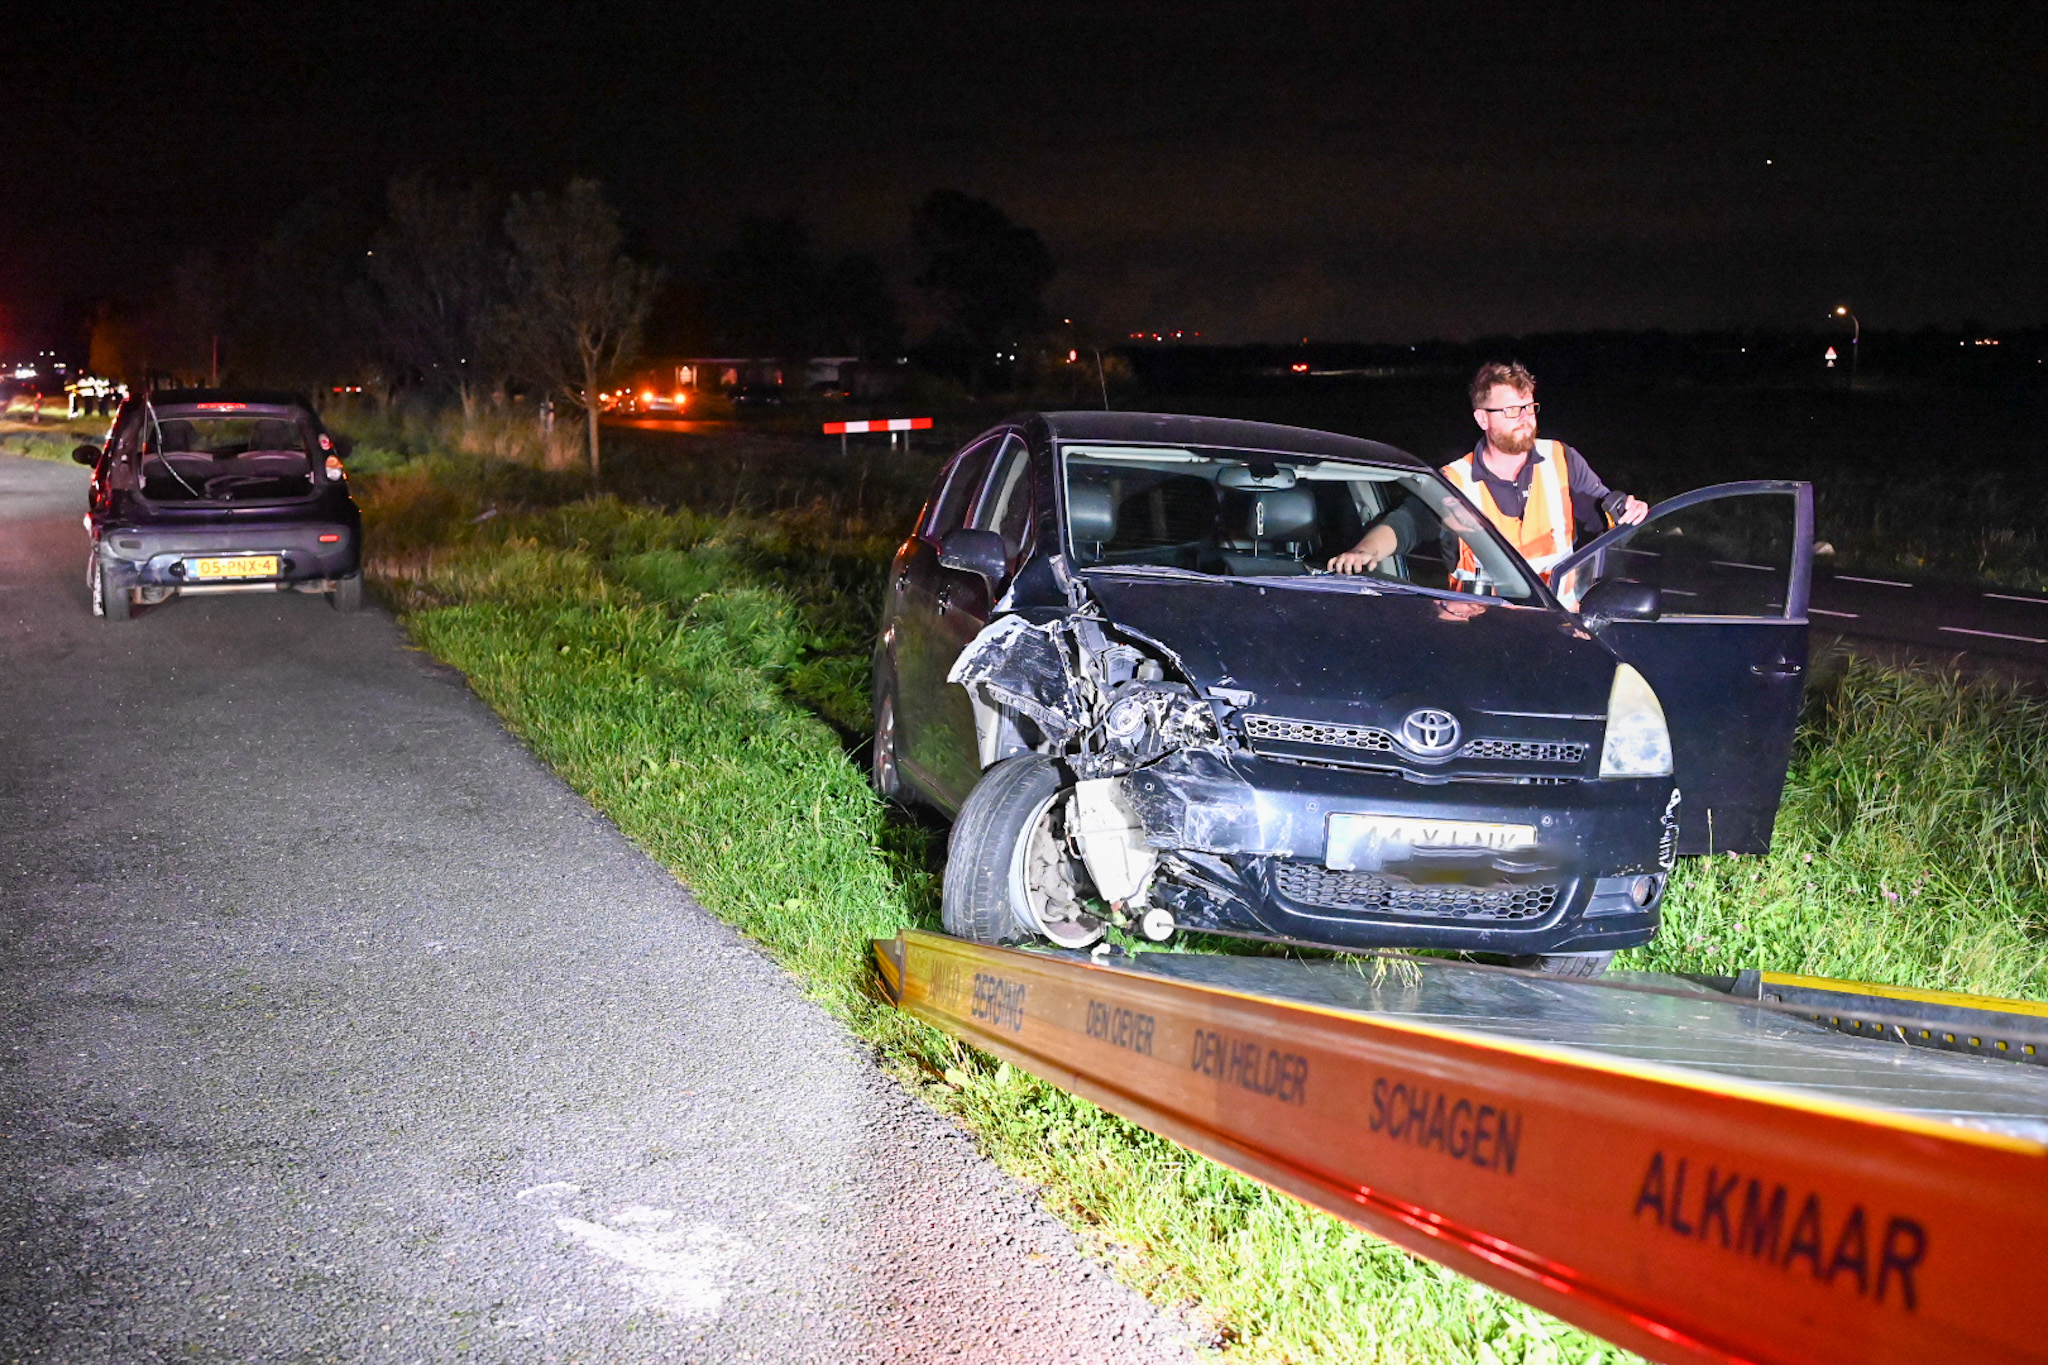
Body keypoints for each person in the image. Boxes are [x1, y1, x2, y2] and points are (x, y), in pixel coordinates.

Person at [1330, 361, 1646, 588]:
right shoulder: (1456, 480)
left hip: (1556, 626)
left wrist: (1628, 513)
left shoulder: (1563, 460)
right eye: (1511, 410)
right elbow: (1405, 525)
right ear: (1482, 419)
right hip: (1481, 628)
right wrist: (1364, 552)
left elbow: (1607, 518)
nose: (1525, 419)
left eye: (1529, 407)